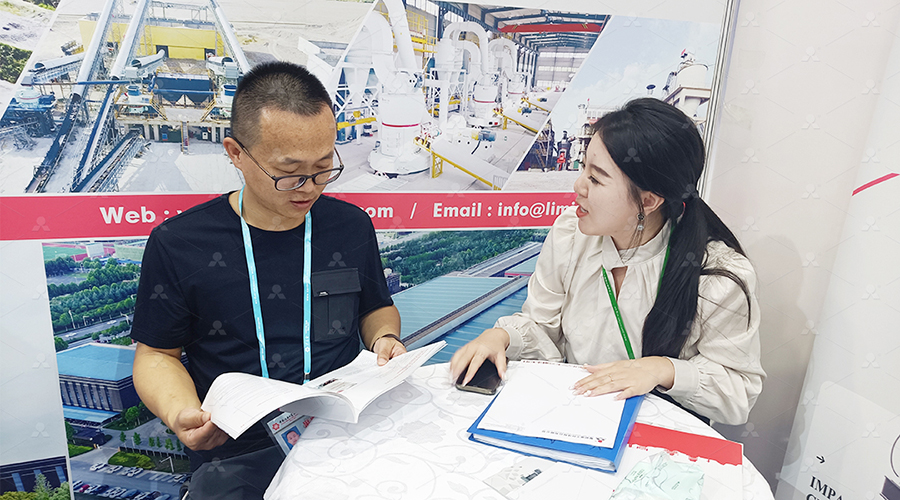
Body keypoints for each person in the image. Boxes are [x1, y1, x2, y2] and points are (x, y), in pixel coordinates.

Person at [130, 62, 405, 497]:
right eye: (289, 172)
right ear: (236, 153)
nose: (309, 187)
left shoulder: (350, 226)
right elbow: (156, 354)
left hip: (344, 431)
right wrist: (180, 410)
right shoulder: (179, 243)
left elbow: (375, 307)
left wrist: (384, 338)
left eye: (323, 167)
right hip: (236, 448)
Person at [450, 98, 765, 425]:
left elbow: (738, 393)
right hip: (574, 419)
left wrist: (662, 369)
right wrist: (501, 337)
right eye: (583, 168)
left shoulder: (717, 277)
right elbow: (543, 326)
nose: (578, 186)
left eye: (596, 179)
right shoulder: (570, 234)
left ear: (649, 201)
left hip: (654, 435)